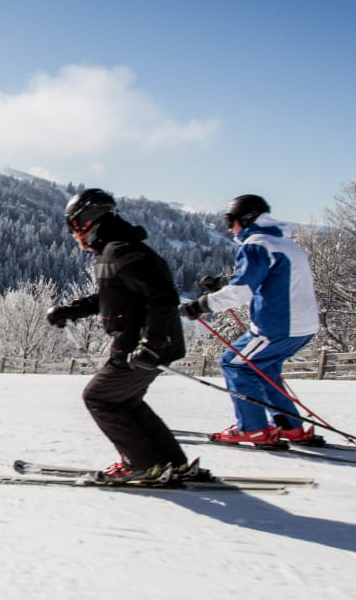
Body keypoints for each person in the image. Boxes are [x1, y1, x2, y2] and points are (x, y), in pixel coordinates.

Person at [46, 189, 200, 483]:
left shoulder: (121, 251)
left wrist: (152, 343)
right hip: (146, 344)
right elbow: (114, 296)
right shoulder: (116, 249)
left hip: (140, 346)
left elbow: (163, 297)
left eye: (73, 225)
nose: (73, 234)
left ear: (88, 219)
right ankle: (171, 463)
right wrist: (71, 310)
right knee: (125, 401)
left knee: (99, 397)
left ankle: (140, 464)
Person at [179, 194, 320, 444]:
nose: (229, 228)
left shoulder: (256, 245)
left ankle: (252, 428)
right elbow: (274, 277)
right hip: (304, 326)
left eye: (230, 221)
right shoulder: (285, 244)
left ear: (245, 218)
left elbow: (241, 291)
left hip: (276, 326)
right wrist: (225, 283)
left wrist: (201, 305)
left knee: (235, 364)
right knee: (263, 368)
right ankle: (289, 426)